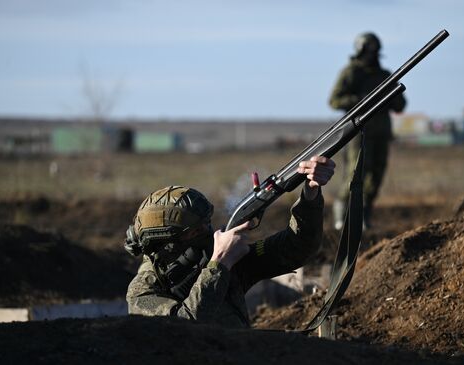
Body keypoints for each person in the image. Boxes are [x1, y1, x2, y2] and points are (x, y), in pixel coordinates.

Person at [124, 156, 335, 328]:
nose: (207, 232)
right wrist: (218, 265)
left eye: (206, 223)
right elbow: (185, 326)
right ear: (168, 244)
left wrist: (310, 194)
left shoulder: (216, 260)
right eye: (196, 231)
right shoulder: (142, 292)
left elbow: (297, 248)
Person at [329, 32, 406, 230]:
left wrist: (389, 96)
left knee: (375, 178)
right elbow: (334, 100)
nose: (372, 54)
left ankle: (364, 218)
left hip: (381, 133)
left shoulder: (384, 76)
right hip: (358, 133)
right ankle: (340, 220)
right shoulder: (351, 72)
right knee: (355, 175)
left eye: (375, 50)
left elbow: (400, 105)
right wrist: (360, 99)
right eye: (368, 49)